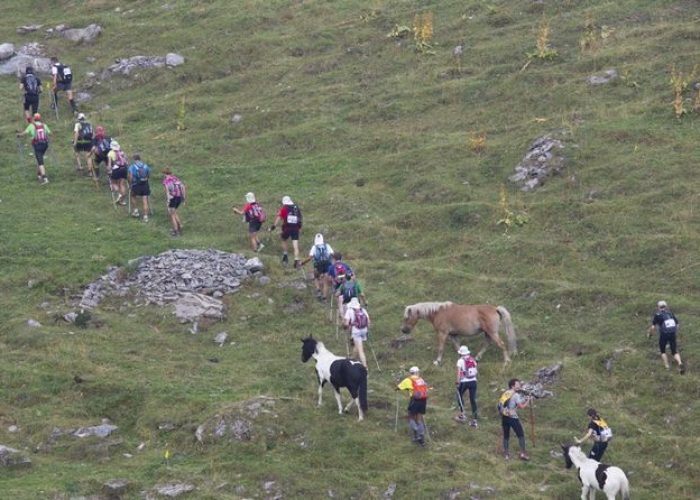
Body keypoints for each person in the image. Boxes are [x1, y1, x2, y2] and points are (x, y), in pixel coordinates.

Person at [498, 378, 531, 460]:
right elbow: (521, 407)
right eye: (517, 384)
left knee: (506, 436)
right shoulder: (515, 395)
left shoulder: (506, 393)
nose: (519, 385)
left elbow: (501, 404)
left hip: (504, 417)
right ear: (513, 386)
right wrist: (528, 401)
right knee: (521, 435)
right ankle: (522, 454)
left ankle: (506, 454)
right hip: (513, 418)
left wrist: (523, 399)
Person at [649, 300, 684, 374]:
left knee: (663, 351)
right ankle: (680, 363)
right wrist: (674, 332)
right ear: (666, 306)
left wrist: (650, 334)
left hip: (664, 335)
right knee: (674, 351)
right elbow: (677, 325)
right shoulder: (670, 313)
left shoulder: (658, 315)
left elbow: (653, 327)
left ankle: (667, 366)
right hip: (672, 334)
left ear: (658, 307)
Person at [396, 366, 429, 446]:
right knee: (419, 419)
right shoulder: (421, 380)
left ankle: (417, 434)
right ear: (418, 372)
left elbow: (398, 388)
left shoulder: (408, 379)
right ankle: (421, 437)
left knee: (410, 416)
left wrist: (397, 382)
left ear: (410, 372)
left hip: (414, 400)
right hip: (423, 400)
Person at [17, 113, 51, 184]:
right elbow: (49, 133)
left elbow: (24, 133)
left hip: (37, 145)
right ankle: (39, 174)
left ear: (34, 118)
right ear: (40, 118)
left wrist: (19, 135)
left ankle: (45, 178)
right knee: (40, 158)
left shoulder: (31, 125)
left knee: (40, 161)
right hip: (45, 145)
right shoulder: (44, 125)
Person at [269, 195, 302, 268]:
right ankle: (296, 260)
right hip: (295, 228)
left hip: (287, 228)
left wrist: (273, 226)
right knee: (295, 245)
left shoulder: (284, 208)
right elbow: (300, 218)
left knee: (283, 239)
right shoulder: (296, 207)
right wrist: (299, 227)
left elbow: (278, 217)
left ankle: (285, 255)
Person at [300, 233, 334, 300]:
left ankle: (318, 290)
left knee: (316, 277)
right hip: (327, 263)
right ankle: (324, 297)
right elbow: (333, 254)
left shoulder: (314, 247)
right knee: (325, 281)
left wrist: (302, 263)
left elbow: (310, 258)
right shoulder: (327, 245)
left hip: (318, 264)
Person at [454, 345, 478, 427]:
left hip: (464, 381)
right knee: (473, 399)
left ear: (461, 353)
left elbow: (458, 372)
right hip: (473, 381)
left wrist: (457, 381)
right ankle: (475, 419)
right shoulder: (472, 359)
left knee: (459, 396)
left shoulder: (460, 361)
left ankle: (462, 414)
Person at [343, 297, 370, 369]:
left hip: (356, 330)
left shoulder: (349, 310)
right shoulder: (363, 310)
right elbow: (368, 321)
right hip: (364, 329)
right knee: (357, 344)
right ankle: (353, 359)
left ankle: (365, 366)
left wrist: (345, 327)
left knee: (361, 350)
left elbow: (346, 323)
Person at [162, 168, 186, 236]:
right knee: (174, 212)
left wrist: (168, 200)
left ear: (164, 174)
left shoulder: (166, 181)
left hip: (173, 198)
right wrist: (184, 198)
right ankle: (180, 226)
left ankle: (176, 231)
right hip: (179, 198)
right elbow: (183, 187)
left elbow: (166, 191)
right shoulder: (176, 178)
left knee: (172, 214)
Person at [128, 154, 151, 221]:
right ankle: (145, 216)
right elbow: (148, 173)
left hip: (136, 185)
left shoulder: (132, 167)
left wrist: (130, 184)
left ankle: (135, 211)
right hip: (145, 184)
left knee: (133, 196)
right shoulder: (145, 165)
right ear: (140, 159)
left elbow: (130, 177)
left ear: (134, 159)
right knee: (144, 200)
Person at [107, 140, 128, 205]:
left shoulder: (110, 153)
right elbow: (126, 161)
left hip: (116, 169)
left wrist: (109, 170)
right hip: (124, 169)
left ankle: (119, 194)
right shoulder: (121, 152)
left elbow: (109, 165)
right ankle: (122, 200)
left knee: (113, 182)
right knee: (121, 184)